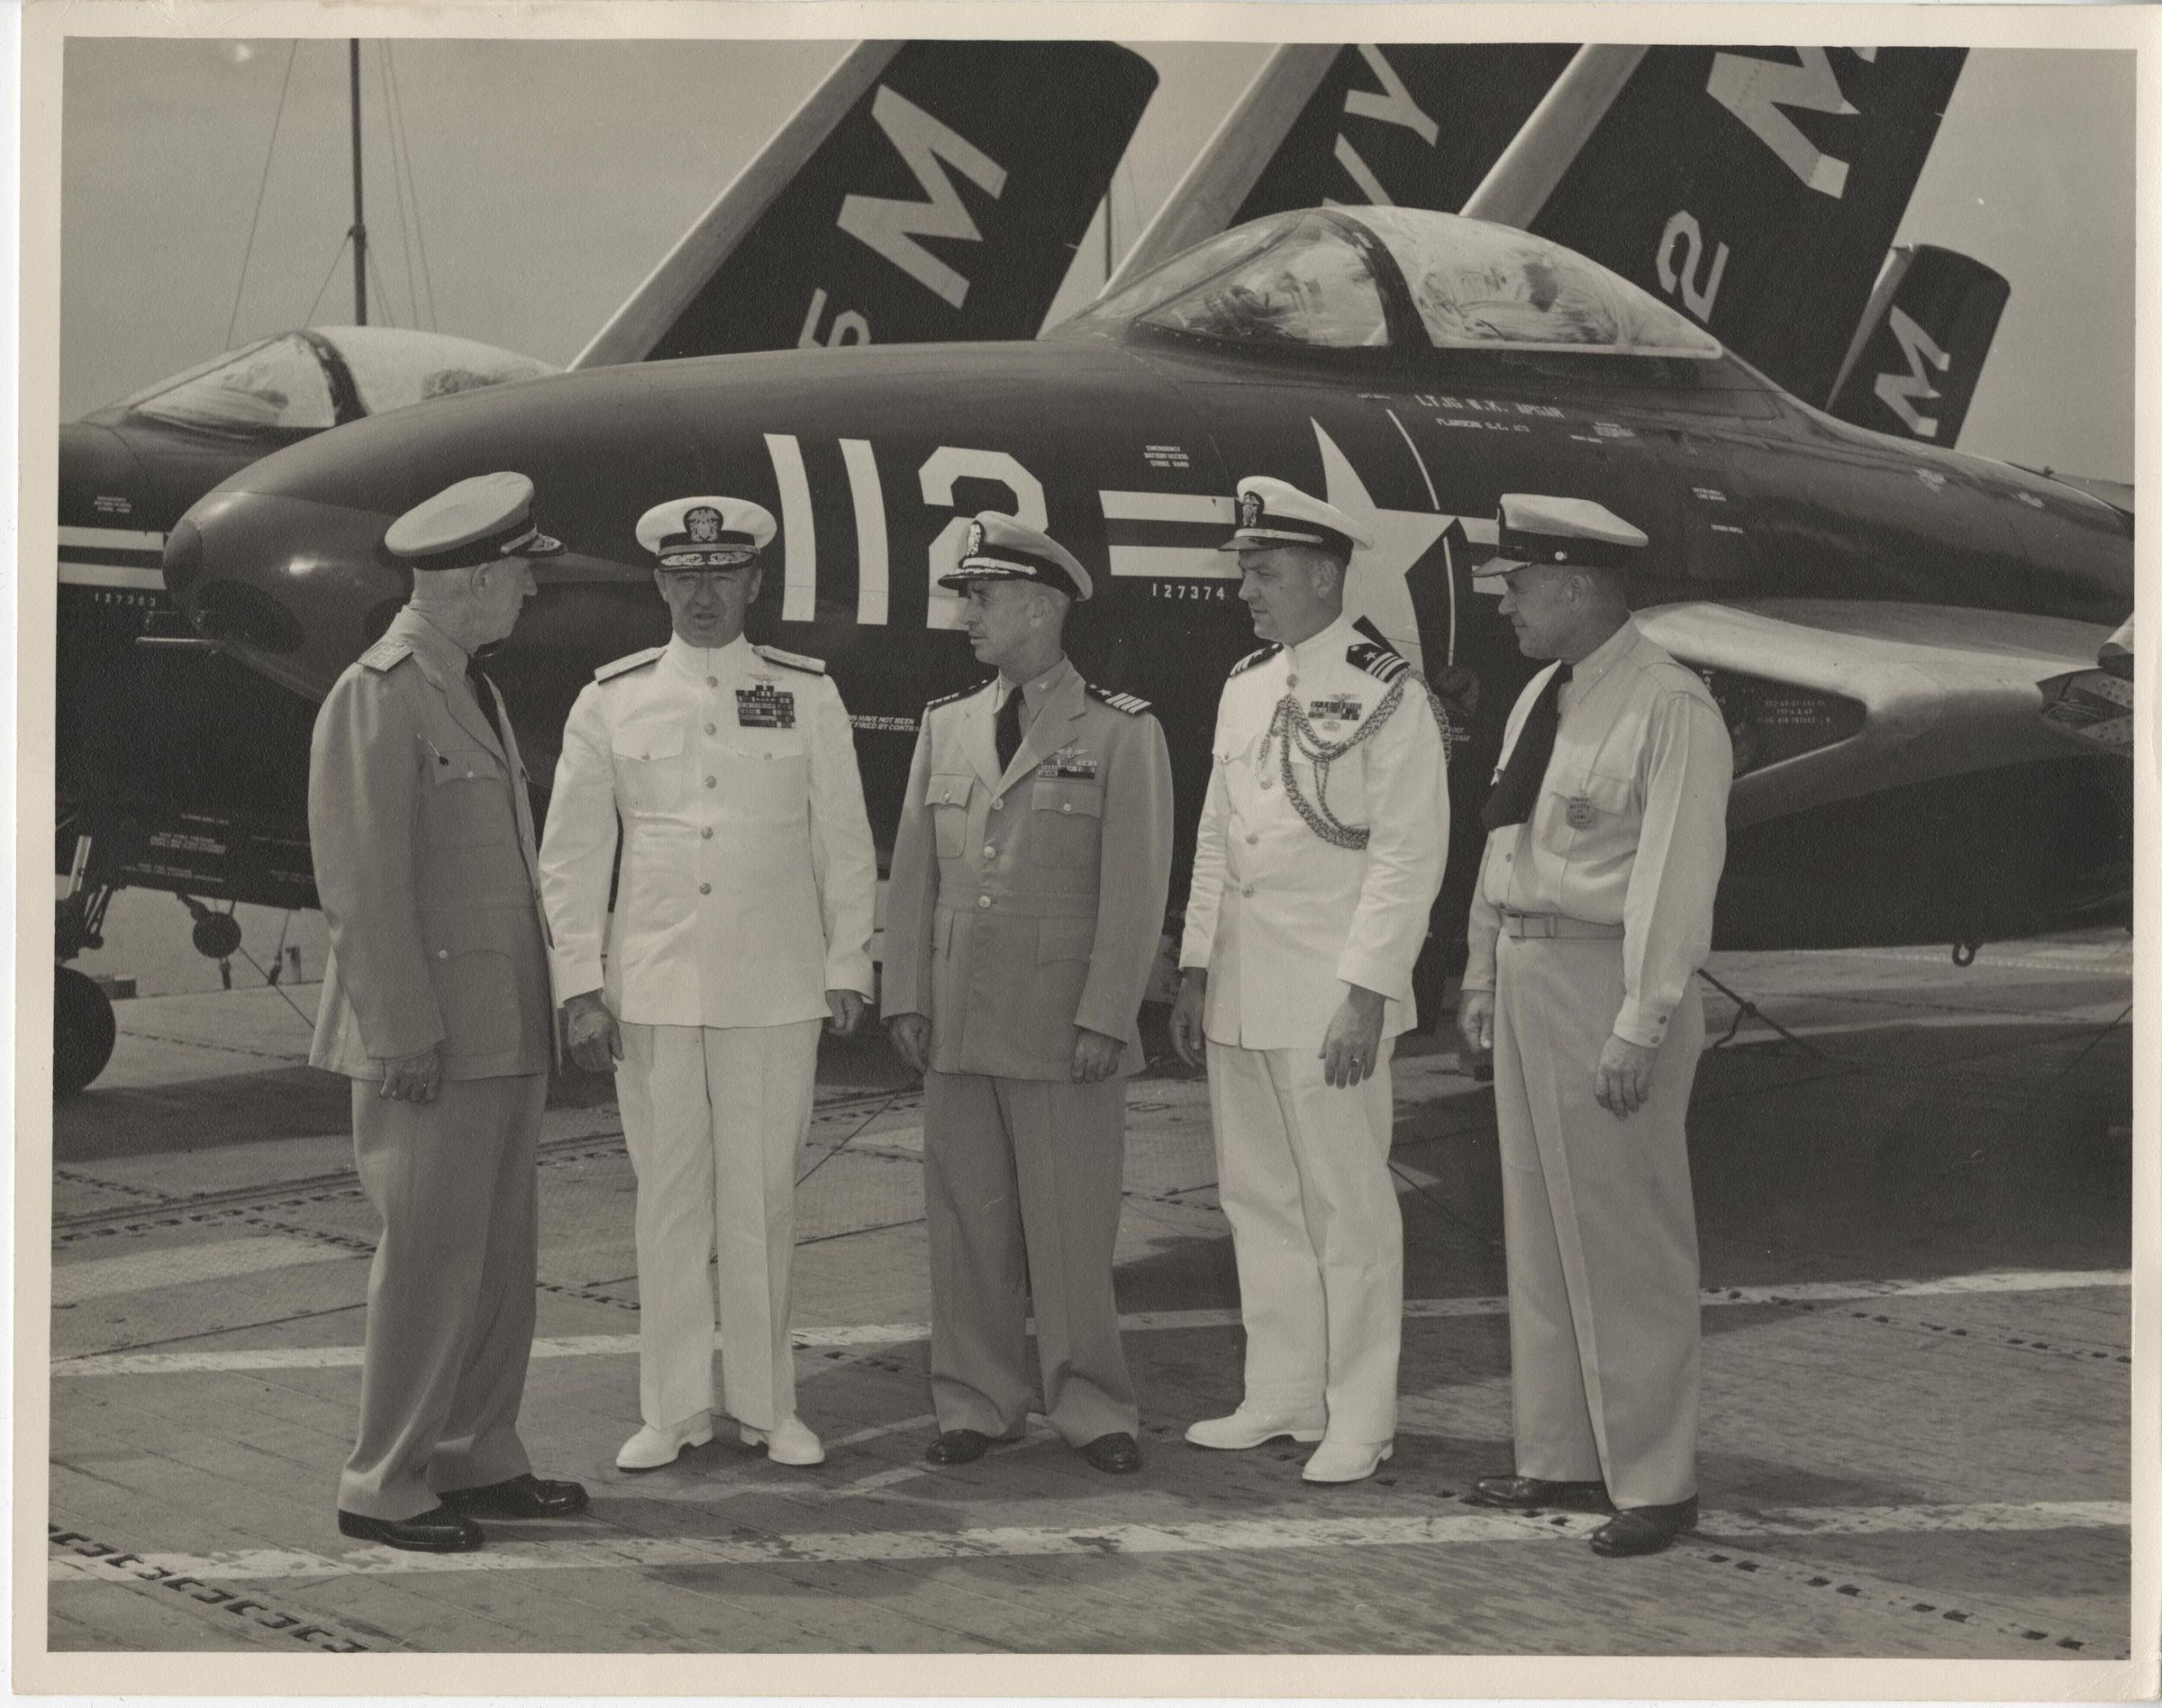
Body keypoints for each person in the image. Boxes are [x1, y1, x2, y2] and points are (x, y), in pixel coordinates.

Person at [538, 495, 876, 1473]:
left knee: (762, 1201)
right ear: (658, 582)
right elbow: (573, 858)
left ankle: (771, 1410)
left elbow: (842, 839)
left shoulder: (807, 692)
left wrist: (850, 959)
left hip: (774, 985)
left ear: (754, 583)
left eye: (721, 573)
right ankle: (674, 1407)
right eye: (685, 575)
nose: (702, 591)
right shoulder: (613, 698)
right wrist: (578, 985)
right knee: (669, 1199)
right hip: (652, 990)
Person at [309, 471, 588, 1553]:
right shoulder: (380, 692)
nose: (530, 589)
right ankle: (384, 1482)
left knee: (497, 1258)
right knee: (427, 1263)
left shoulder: (471, 682)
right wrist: (400, 1032)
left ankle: (477, 1452)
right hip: (430, 1033)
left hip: (500, 1025)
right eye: (522, 571)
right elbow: (361, 879)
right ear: (476, 577)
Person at [1456, 494, 1733, 1558]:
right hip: (1530, 972)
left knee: (1626, 1241)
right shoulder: (1546, 693)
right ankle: (1560, 1455)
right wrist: (1481, 970)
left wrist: (1642, 1022)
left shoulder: (1670, 706)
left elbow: (1674, 880)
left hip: (1603, 986)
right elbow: (1505, 840)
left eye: (1521, 587)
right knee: (1539, 1232)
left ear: (1575, 585)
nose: (1509, 607)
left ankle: (1657, 1482)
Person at [1169, 476, 1449, 1485]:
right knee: (1258, 1199)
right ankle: (1282, 1390)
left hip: (1330, 997)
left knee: (1347, 1209)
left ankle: (1361, 1413)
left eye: (1265, 569)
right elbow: (1216, 836)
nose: (1247, 587)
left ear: (1326, 573)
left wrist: (1368, 994)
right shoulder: (1248, 684)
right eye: (1245, 569)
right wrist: (1197, 965)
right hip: (1246, 987)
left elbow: (1409, 856)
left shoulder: (1386, 692)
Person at [883, 513, 1174, 1475]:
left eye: (985, 597)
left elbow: (1136, 890)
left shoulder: (1123, 733)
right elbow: (916, 872)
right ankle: (975, 1400)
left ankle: (1094, 1407)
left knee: (1070, 1226)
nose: (968, 614)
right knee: (966, 1223)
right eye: (967, 597)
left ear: (1044, 608)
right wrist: (906, 995)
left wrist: (1107, 1013)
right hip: (959, 1018)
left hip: (1061, 1024)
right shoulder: (945, 724)